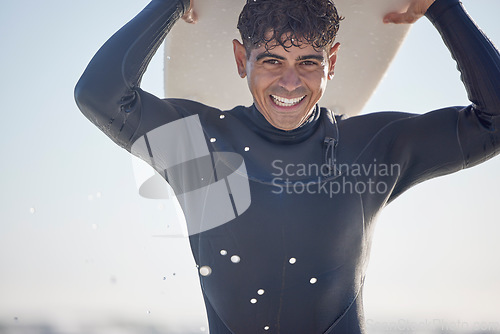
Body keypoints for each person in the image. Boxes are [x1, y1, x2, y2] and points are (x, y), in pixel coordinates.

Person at [74, 0, 500, 332]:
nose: (290, 82)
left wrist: (444, 8)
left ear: (331, 62)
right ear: (242, 60)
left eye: (308, 62)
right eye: (272, 61)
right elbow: (98, 94)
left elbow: (493, 122)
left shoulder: (371, 149)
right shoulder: (197, 144)